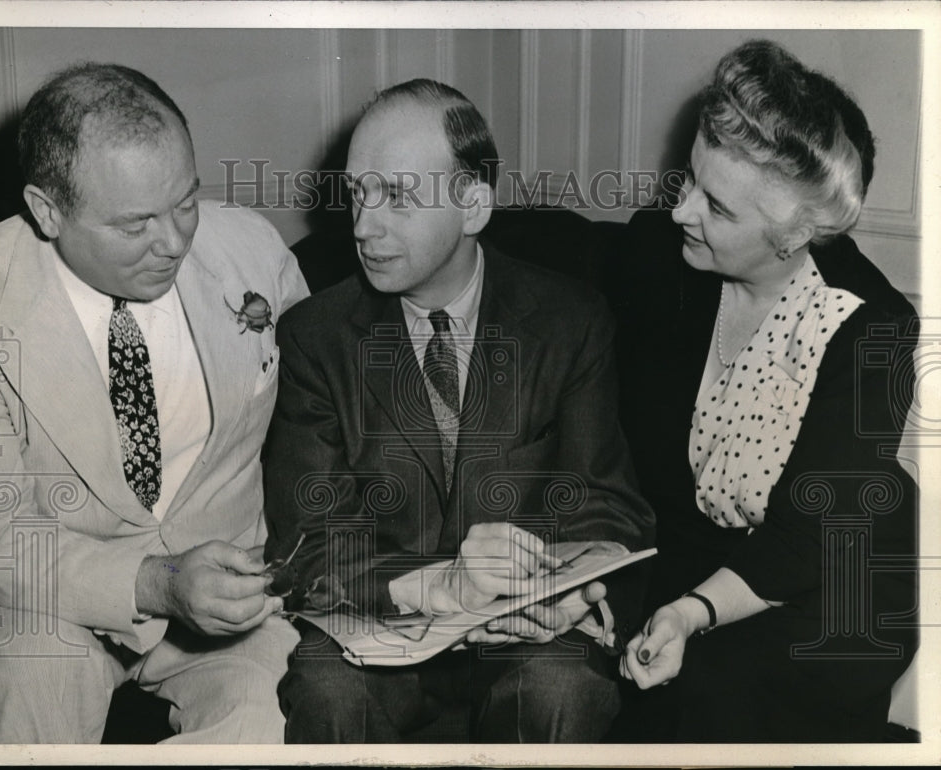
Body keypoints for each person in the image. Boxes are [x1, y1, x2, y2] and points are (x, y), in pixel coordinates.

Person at [263, 79, 656, 742]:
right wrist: (439, 584)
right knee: (328, 690)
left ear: (473, 203)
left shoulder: (571, 319)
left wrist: (569, 594)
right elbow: (310, 541)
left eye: (396, 196)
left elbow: (604, 503)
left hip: (526, 629)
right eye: (358, 193)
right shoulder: (313, 335)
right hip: (381, 618)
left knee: (565, 689)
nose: (363, 226)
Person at [0, 63, 309, 743]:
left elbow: (326, 411)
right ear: (47, 211)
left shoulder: (251, 250)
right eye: (135, 225)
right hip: (54, 606)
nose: (175, 242)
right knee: (26, 680)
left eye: (185, 201)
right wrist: (154, 583)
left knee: (283, 710)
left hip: (234, 605)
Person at [602, 40, 919, 742]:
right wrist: (601, 574)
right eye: (689, 180)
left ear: (794, 234)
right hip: (693, 563)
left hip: (832, 592)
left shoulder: (874, 330)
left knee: (716, 700)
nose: (681, 211)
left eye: (715, 206)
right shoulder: (660, 261)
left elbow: (806, 543)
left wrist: (689, 612)